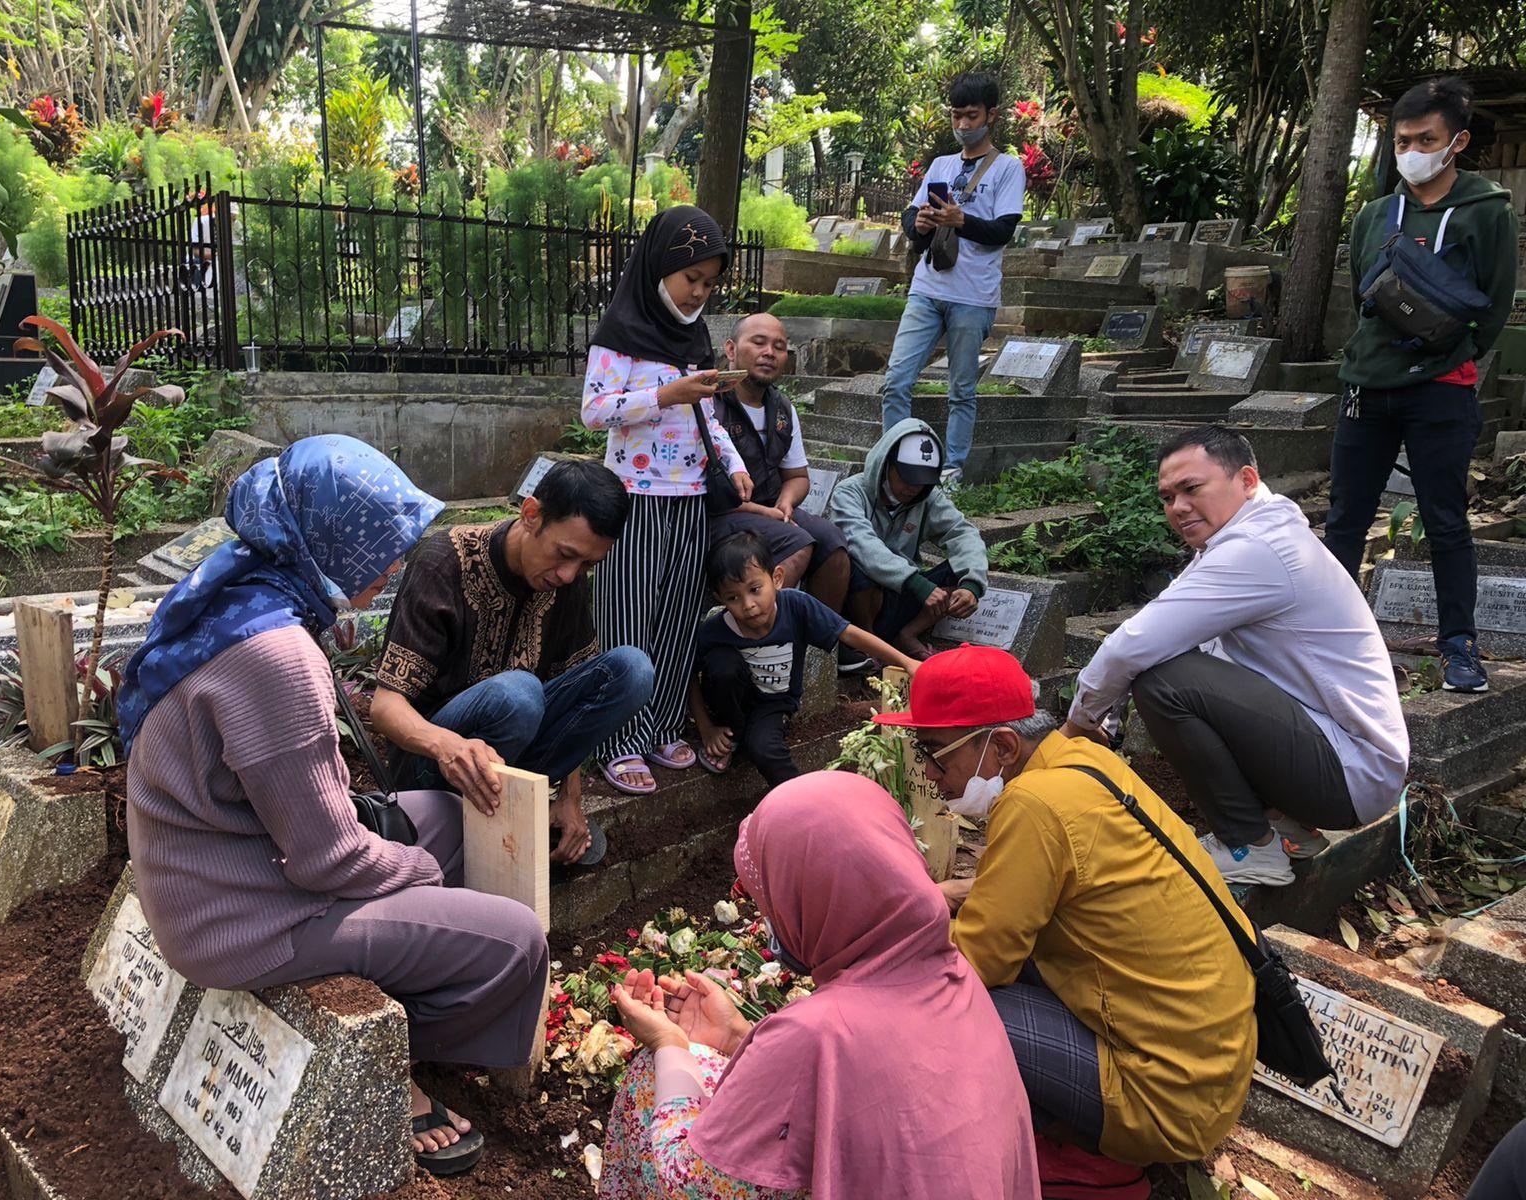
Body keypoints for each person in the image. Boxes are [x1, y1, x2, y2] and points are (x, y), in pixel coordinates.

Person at [120, 436, 548, 1178]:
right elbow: (326, 859)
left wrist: (406, 858)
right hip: (240, 917)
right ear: (331, 540)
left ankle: (406, 963)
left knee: (450, 819)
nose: (393, 566)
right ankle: (386, 1062)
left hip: (215, 864)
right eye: (382, 545)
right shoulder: (278, 659)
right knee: (517, 942)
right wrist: (417, 874)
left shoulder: (239, 591)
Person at [875, 646, 1257, 1192]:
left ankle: (1092, 1156)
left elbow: (977, 962)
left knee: (927, 998)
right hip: (1209, 1070)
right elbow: (1054, 885)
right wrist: (954, 892)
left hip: (1161, 1099)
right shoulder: (1084, 762)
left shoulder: (1033, 804)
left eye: (936, 753)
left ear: (1002, 746)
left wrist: (883, 941)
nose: (932, 774)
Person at [598, 771, 1041, 1200]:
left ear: (816, 899)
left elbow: (685, 1185)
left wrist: (669, 1044)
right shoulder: (954, 973)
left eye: (770, 902)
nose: (769, 918)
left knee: (650, 1080)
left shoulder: (819, 1031)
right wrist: (737, 1038)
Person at [1061, 426, 1409, 887]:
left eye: (1191, 488)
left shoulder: (1257, 549)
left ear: (1246, 480)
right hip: (1341, 758)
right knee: (1175, 663)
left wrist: (1078, 727)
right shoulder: (1240, 538)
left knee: (1165, 683)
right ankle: (1286, 829)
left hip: (1350, 772)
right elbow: (1159, 627)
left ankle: (1249, 846)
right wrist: (1107, 719)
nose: (1177, 507)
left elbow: (1130, 647)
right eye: (1167, 497)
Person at [1324, 76, 1520, 694]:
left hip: (1442, 388)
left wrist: (1451, 356)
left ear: (1457, 141)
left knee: (1446, 520)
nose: (1412, 152)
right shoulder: (1374, 215)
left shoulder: (1487, 211)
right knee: (1346, 517)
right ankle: (1326, 638)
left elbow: (1494, 303)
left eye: (1425, 140)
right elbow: (1362, 293)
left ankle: (1459, 644)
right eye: (1402, 141)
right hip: (1367, 383)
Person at [370, 460, 654, 865]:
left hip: (511, 761)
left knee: (632, 670)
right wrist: (449, 748)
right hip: (433, 766)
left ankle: (520, 805)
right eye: (565, 554)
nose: (569, 575)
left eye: (588, 565)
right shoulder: (444, 562)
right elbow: (385, 707)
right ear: (531, 514)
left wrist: (570, 798)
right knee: (518, 694)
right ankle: (476, 823)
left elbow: (572, 689)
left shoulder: (564, 580)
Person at [581, 204, 754, 795]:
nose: (698, 292)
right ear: (659, 267)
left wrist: (733, 463)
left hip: (690, 496)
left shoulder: (694, 337)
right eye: (691, 278)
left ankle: (661, 725)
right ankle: (619, 739)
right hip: (634, 496)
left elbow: (707, 416)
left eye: (709, 283)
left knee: (678, 618)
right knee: (627, 616)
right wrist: (664, 393)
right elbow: (594, 410)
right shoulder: (619, 334)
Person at [880, 70, 1026, 488]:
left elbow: (1003, 230)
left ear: (991, 115)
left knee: (961, 390)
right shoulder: (941, 165)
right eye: (956, 116)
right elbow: (911, 216)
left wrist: (961, 220)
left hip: (973, 296)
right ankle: (896, 462)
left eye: (971, 116)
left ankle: (952, 470)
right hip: (927, 289)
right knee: (896, 380)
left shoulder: (1008, 168)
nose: (962, 124)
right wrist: (921, 223)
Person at [688, 532, 919, 784]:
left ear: (777, 578)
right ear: (720, 599)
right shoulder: (716, 629)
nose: (748, 604)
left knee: (764, 748)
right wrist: (706, 728)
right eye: (733, 597)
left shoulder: (797, 606)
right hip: (729, 705)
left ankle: (802, 799)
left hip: (773, 705)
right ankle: (731, 735)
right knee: (722, 665)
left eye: (755, 590)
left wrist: (906, 662)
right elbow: (687, 675)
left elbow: (849, 633)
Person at [707, 313, 851, 612]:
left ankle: (816, 636)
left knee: (832, 542)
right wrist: (764, 512)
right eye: (759, 343)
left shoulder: (782, 407)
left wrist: (785, 503)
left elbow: (797, 476)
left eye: (779, 347)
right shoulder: (710, 403)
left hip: (771, 507)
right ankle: (764, 632)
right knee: (795, 542)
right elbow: (705, 488)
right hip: (720, 513)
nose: (769, 353)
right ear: (731, 349)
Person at [827, 419, 987, 665]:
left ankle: (907, 634)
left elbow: (962, 533)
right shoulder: (849, 492)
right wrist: (916, 583)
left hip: (902, 597)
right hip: (861, 602)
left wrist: (971, 586)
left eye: (922, 480)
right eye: (906, 478)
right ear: (885, 464)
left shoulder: (928, 498)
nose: (913, 488)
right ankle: (867, 644)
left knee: (961, 567)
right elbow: (862, 543)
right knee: (860, 565)